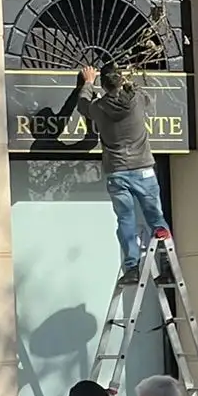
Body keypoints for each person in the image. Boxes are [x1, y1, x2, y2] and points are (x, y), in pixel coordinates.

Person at [77, 63, 171, 279]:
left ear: (104, 85)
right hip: (143, 169)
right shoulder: (137, 100)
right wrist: (128, 80)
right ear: (120, 80)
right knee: (156, 219)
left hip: (117, 172)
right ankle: (167, 267)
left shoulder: (99, 107)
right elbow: (144, 95)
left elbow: (83, 105)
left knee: (125, 220)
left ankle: (132, 268)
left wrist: (88, 83)